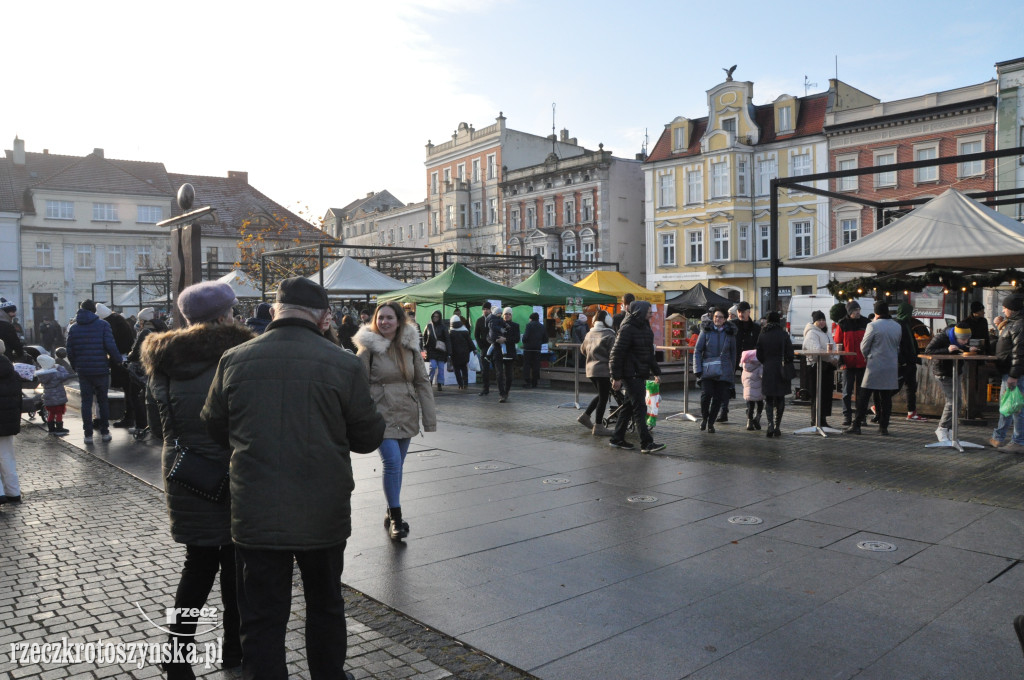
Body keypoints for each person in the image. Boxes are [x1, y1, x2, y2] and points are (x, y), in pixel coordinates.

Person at [201, 277, 385, 680]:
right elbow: (368, 436)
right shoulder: (344, 363)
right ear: (323, 318)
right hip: (323, 510)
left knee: (262, 616)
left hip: (255, 510)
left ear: (273, 311)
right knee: (325, 604)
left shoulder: (234, 359)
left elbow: (215, 426)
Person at [142, 280, 253, 679]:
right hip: (232, 470)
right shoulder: (239, 354)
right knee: (235, 564)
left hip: (186, 471)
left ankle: (176, 655)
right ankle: (235, 652)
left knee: (198, 564)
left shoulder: (162, 357)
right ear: (223, 315)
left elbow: (157, 426)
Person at [354, 302, 436, 540]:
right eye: (380, 318)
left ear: (399, 321)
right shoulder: (367, 349)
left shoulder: (409, 347)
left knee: (398, 464)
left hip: (406, 411)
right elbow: (358, 385)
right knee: (391, 462)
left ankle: (390, 511)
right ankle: (397, 518)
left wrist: (429, 419)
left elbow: (422, 381)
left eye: (389, 318)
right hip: (380, 414)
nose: (384, 322)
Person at [609, 301, 665, 452]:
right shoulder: (627, 328)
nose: (651, 314)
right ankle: (646, 443)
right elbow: (616, 354)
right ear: (639, 311)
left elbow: (649, 354)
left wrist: (656, 372)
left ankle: (617, 438)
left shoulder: (645, 327)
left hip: (639, 372)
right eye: (648, 311)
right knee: (640, 407)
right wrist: (616, 376)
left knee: (628, 406)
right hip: (631, 374)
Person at [66, 299, 121, 444]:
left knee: (86, 402)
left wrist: (75, 365)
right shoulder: (103, 325)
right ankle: (105, 432)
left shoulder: (74, 328)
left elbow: (69, 351)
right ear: (93, 311)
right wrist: (118, 360)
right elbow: (110, 345)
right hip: (101, 369)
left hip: (83, 371)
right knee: (102, 401)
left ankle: (88, 435)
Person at [846, 302, 904, 436]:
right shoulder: (897, 326)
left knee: (864, 396)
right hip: (891, 365)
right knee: (886, 398)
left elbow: (864, 346)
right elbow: (897, 345)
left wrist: (867, 356)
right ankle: (884, 427)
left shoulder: (872, 325)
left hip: (875, 365)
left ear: (876, 313)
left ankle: (857, 425)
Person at [694, 308, 737, 434]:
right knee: (706, 395)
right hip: (707, 369)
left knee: (718, 398)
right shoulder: (706, 331)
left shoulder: (730, 333)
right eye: (716, 316)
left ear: (725, 319)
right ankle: (705, 418)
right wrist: (698, 369)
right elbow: (697, 350)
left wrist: (731, 372)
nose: (717, 319)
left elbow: (733, 354)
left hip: (723, 370)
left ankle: (711, 423)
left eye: (720, 317)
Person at [990, 294, 1024, 451]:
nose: (1003, 309)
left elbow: (1019, 353)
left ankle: (1018, 441)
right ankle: (999, 437)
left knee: (1016, 408)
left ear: (1012, 309)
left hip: (1015, 374)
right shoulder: (1013, 323)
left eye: (1005, 307)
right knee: (1007, 406)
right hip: (1009, 372)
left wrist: (1013, 375)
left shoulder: (1019, 325)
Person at [125, 308, 167, 437]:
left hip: (143, 369)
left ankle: (141, 425)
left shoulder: (145, 332)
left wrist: (128, 357)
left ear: (143, 320)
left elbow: (135, 353)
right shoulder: (162, 328)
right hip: (158, 368)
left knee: (138, 397)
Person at [98, 304, 137, 430]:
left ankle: (130, 417)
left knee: (128, 390)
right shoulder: (119, 320)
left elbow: (112, 343)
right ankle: (130, 416)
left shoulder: (112, 323)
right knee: (128, 390)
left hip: (121, 360)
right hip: (124, 358)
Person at [755, 311, 794, 437]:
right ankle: (777, 426)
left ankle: (770, 424)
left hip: (768, 368)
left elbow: (758, 354)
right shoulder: (783, 334)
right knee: (780, 397)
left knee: (769, 398)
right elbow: (790, 354)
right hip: (781, 369)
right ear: (778, 321)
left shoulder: (763, 334)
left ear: (767, 321)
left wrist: (766, 361)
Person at [578, 310, 616, 436]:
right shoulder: (609, 334)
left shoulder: (590, 333)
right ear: (608, 320)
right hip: (603, 371)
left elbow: (582, 349)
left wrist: (592, 358)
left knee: (602, 394)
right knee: (604, 397)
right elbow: (613, 354)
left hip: (590, 370)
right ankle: (598, 426)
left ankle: (585, 416)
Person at [835, 300, 869, 427]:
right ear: (850, 312)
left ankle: (861, 416)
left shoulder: (866, 323)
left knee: (862, 392)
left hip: (862, 362)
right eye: (855, 310)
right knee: (846, 391)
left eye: (859, 310)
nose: (858, 312)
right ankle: (847, 416)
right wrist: (841, 361)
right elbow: (838, 343)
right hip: (847, 363)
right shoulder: (842, 324)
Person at [725, 300, 760, 424]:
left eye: (743, 312)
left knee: (749, 386)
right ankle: (724, 411)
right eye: (739, 312)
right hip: (732, 358)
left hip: (748, 361)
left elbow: (758, 343)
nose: (740, 314)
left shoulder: (756, 327)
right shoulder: (731, 324)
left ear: (749, 312)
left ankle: (749, 411)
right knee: (726, 384)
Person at [801, 310, 838, 429]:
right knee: (817, 394)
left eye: (823, 320)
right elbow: (815, 350)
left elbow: (834, 346)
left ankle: (823, 419)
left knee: (826, 394)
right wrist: (830, 358)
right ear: (814, 322)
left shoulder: (825, 333)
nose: (822, 322)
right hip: (816, 367)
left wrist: (836, 357)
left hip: (827, 367)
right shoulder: (811, 333)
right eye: (819, 320)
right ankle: (815, 420)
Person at [894, 302, 927, 422]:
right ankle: (879, 405)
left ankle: (911, 412)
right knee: (897, 386)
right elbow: (899, 344)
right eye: (910, 311)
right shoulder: (899, 324)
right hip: (905, 361)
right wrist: (902, 360)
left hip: (910, 360)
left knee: (911, 386)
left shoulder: (907, 323)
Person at [0, 339, 23, 505]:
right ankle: (13, 492)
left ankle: (0, 494)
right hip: (7, 423)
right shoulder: (12, 372)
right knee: (7, 456)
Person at [34, 354, 74, 436]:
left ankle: (51, 428)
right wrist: (59, 368)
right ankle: (59, 428)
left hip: (48, 398)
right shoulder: (55, 373)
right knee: (59, 412)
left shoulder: (43, 374)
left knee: (51, 413)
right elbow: (65, 375)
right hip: (58, 397)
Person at [488, 307, 520, 403]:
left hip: (509, 353)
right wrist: (495, 340)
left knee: (509, 376)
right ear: (502, 315)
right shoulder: (496, 322)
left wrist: (505, 339)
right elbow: (488, 337)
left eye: (509, 314)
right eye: (505, 314)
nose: (507, 316)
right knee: (499, 374)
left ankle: (506, 391)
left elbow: (517, 339)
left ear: (511, 315)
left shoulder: (515, 326)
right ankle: (502, 394)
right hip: (498, 352)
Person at [423, 310, 450, 391]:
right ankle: (430, 381)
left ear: (440, 317)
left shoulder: (443, 327)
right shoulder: (428, 326)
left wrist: (449, 352)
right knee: (433, 367)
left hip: (441, 351)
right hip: (431, 350)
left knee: (441, 369)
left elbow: (447, 339)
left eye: (437, 316)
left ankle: (439, 383)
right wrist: (424, 346)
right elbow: (424, 337)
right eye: (434, 316)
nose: (435, 318)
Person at [447, 313, 476, 390]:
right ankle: (465, 383)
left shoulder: (451, 332)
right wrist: (474, 349)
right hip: (464, 353)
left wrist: (449, 352)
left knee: (457, 370)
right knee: (464, 369)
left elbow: (449, 344)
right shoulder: (465, 330)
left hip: (455, 354)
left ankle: (460, 384)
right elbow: (470, 341)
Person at [740, 349, 764, 430]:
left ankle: (749, 422)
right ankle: (757, 418)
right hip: (758, 390)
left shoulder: (745, 367)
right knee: (760, 404)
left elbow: (743, 379)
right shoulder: (759, 366)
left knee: (750, 406)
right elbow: (762, 376)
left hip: (748, 391)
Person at [521, 312, 546, 388]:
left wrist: (524, 342)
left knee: (527, 365)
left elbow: (525, 337)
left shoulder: (529, 325)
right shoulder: (542, 327)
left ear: (531, 318)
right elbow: (545, 339)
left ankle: (527, 381)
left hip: (528, 348)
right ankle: (535, 382)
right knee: (536, 365)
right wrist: (539, 342)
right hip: (537, 349)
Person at [474, 302, 494, 396]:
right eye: (484, 309)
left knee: (498, 368)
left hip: (494, 346)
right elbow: (476, 334)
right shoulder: (479, 320)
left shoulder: (494, 319)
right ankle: (485, 388)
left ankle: (501, 388)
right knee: (484, 369)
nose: (485, 310)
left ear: (490, 309)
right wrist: (481, 345)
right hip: (484, 347)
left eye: (487, 309)